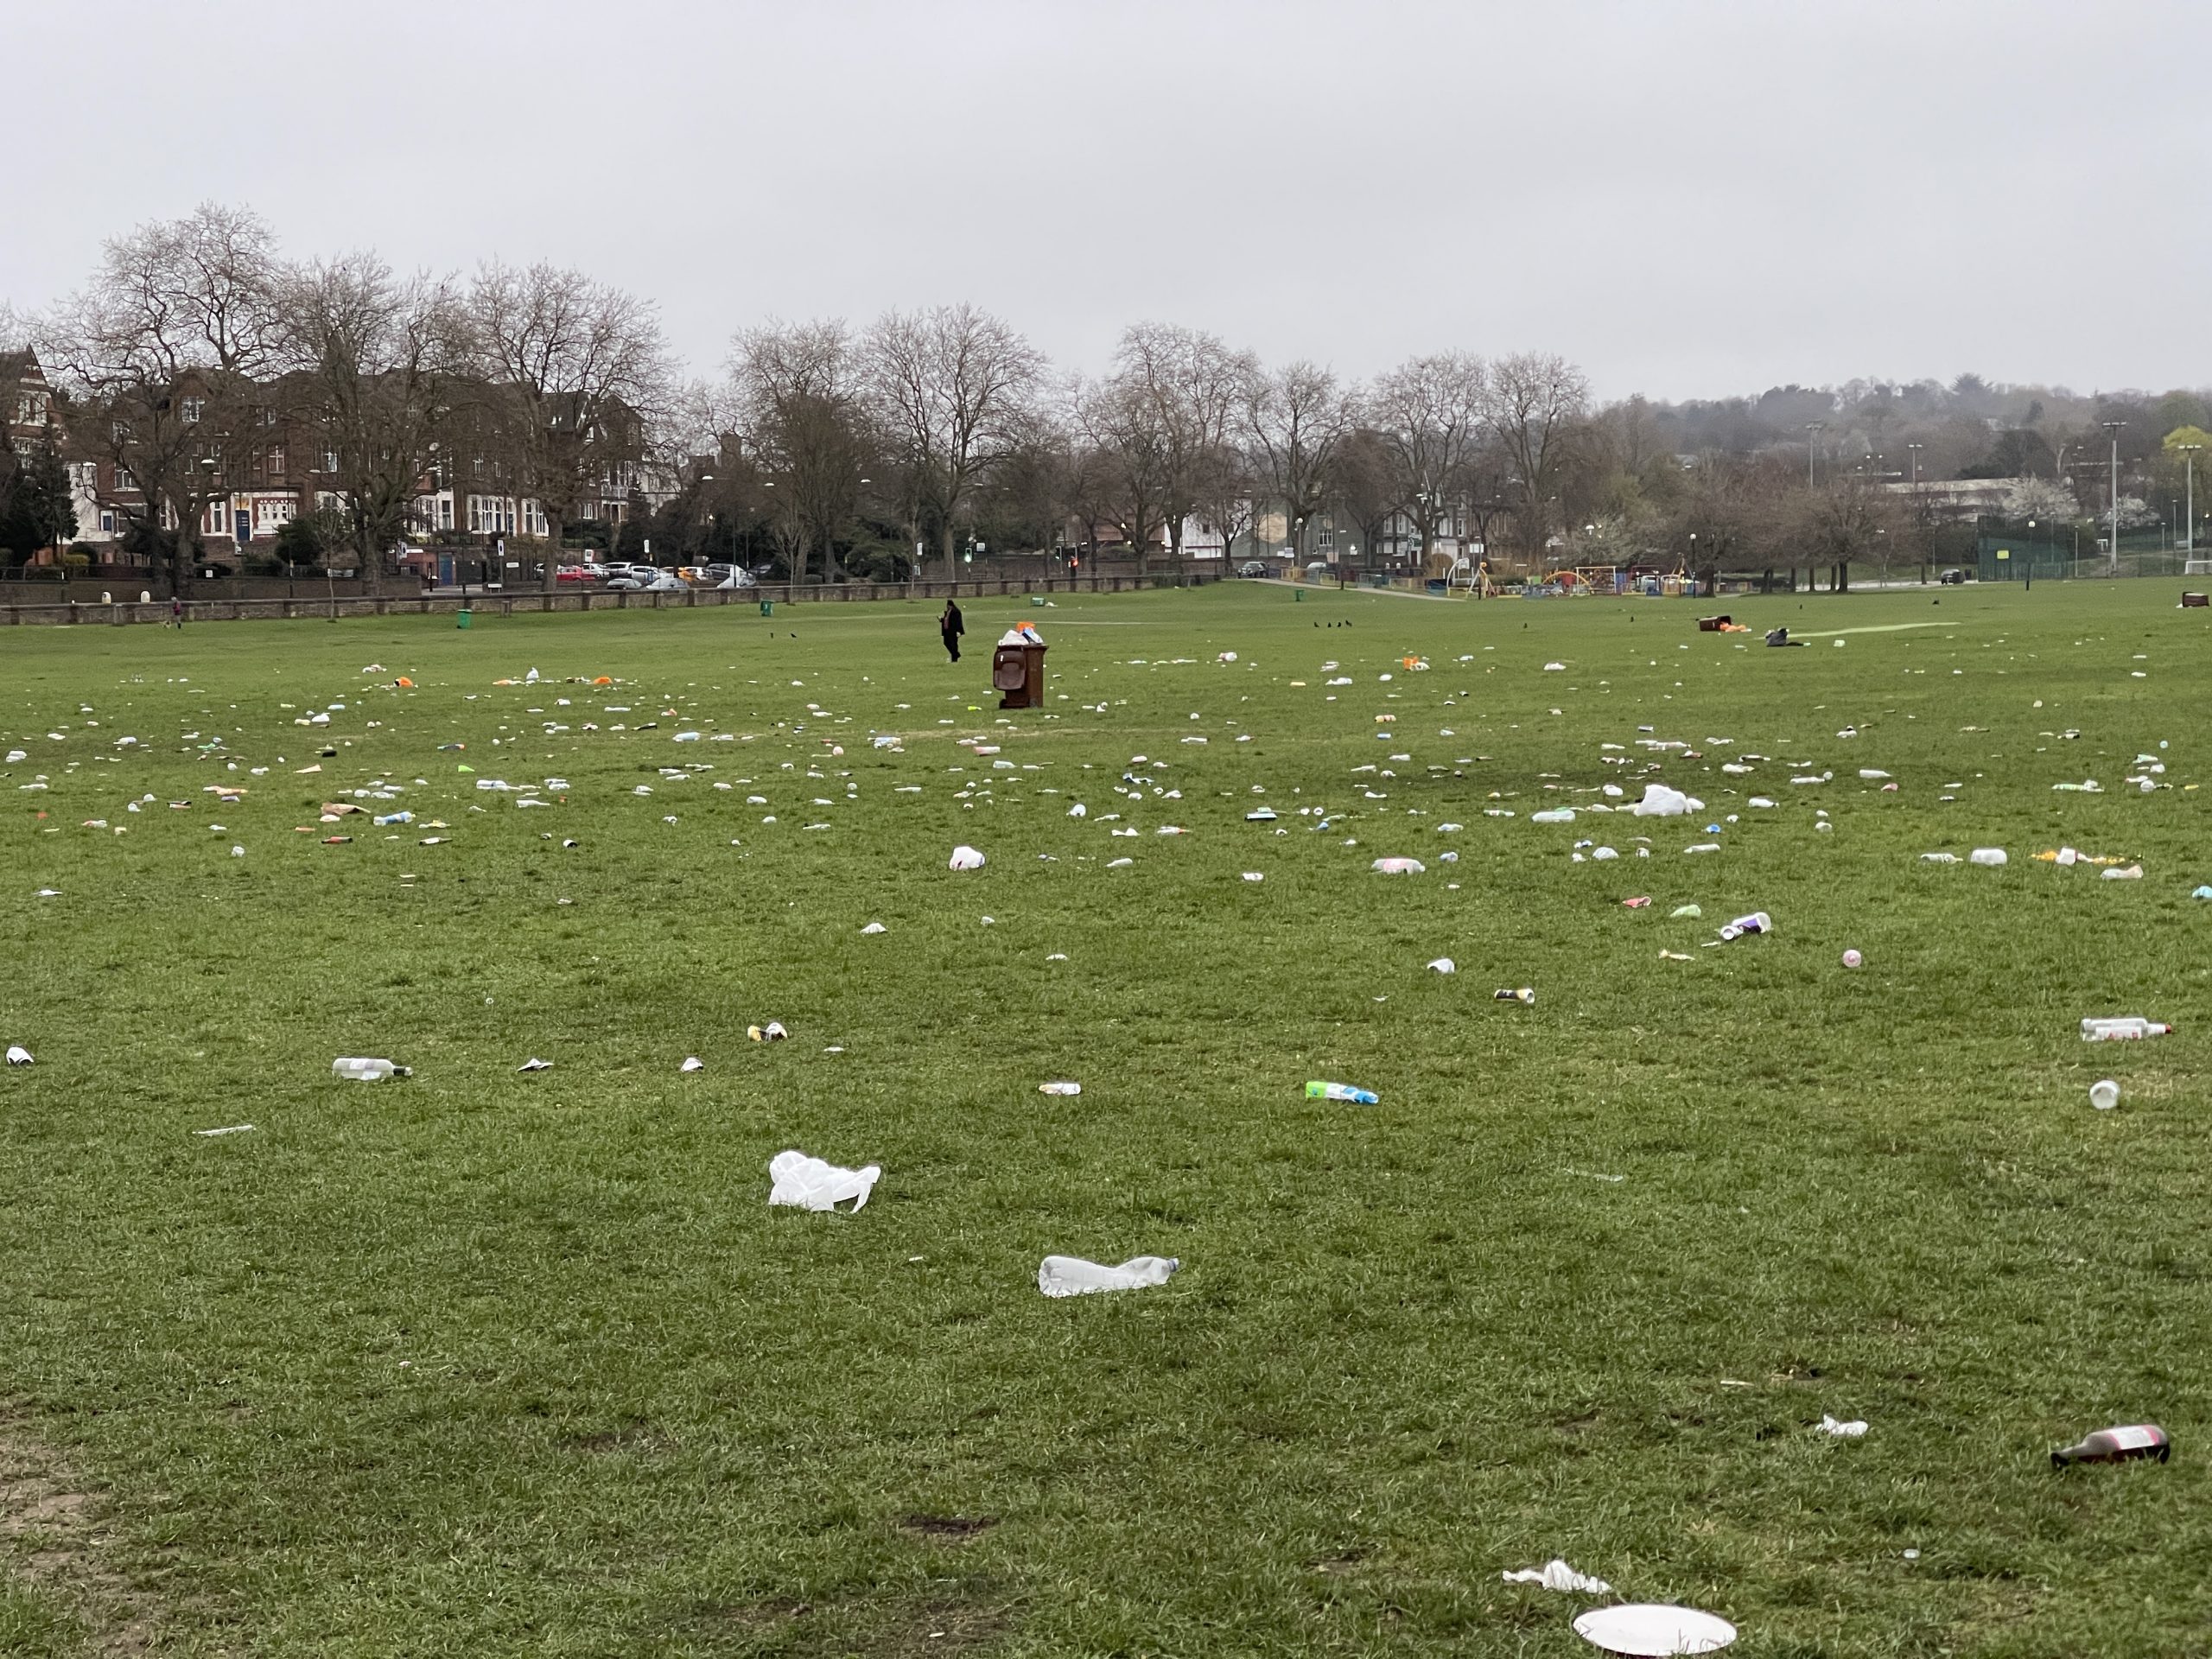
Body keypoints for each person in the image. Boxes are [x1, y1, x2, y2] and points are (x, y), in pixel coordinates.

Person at [940, 599, 964, 663]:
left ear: (950, 605)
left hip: (953, 631)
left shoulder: (956, 612)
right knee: (946, 643)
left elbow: (958, 622)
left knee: (953, 644)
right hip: (947, 631)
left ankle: (954, 659)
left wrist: (959, 631)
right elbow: (946, 620)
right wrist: (941, 619)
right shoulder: (948, 612)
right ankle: (956, 654)